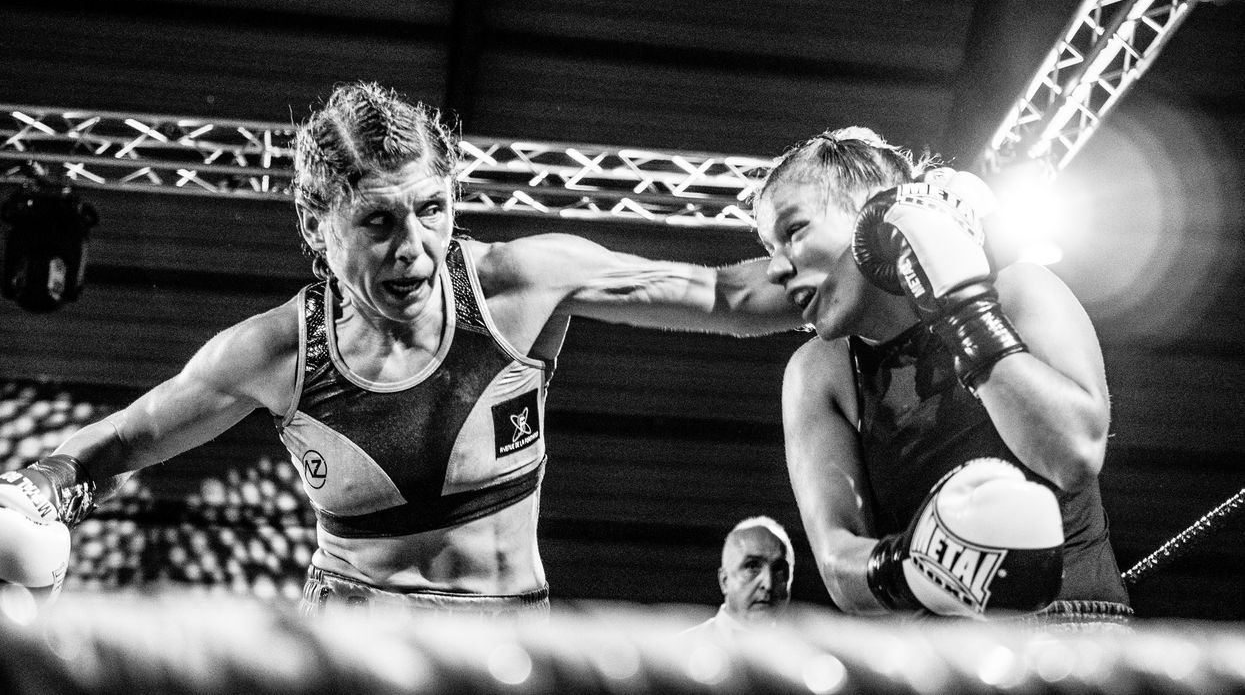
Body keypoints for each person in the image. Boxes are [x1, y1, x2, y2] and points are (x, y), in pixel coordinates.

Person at [0, 81, 802, 620]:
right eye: (378, 221)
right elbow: (124, 439)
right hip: (353, 652)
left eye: (431, 210)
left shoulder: (518, 284)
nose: (413, 248)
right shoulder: (278, 350)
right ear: (317, 224)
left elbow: (727, 298)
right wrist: (40, 488)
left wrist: (857, 252)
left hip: (505, 644)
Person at [752, 126, 1131, 625]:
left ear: (872, 212)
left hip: (1074, 632)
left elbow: (1075, 452)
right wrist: (923, 565)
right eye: (769, 247)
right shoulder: (820, 371)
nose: (775, 269)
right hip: (937, 649)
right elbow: (837, 561)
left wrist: (962, 310)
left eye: (794, 230)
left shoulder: (1018, 290)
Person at [682, 516, 793, 641]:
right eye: (752, 566)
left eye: (779, 569)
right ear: (724, 581)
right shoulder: (681, 646)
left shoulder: (803, 649)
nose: (768, 584)